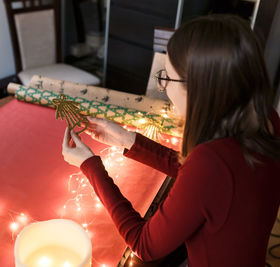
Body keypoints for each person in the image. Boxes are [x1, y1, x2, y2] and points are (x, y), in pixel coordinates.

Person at [62, 14, 280, 267]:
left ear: (198, 87)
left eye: (167, 77)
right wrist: (128, 140)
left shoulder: (212, 159)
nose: (164, 87)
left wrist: (90, 165)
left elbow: (145, 245)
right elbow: (204, 183)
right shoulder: (268, 119)